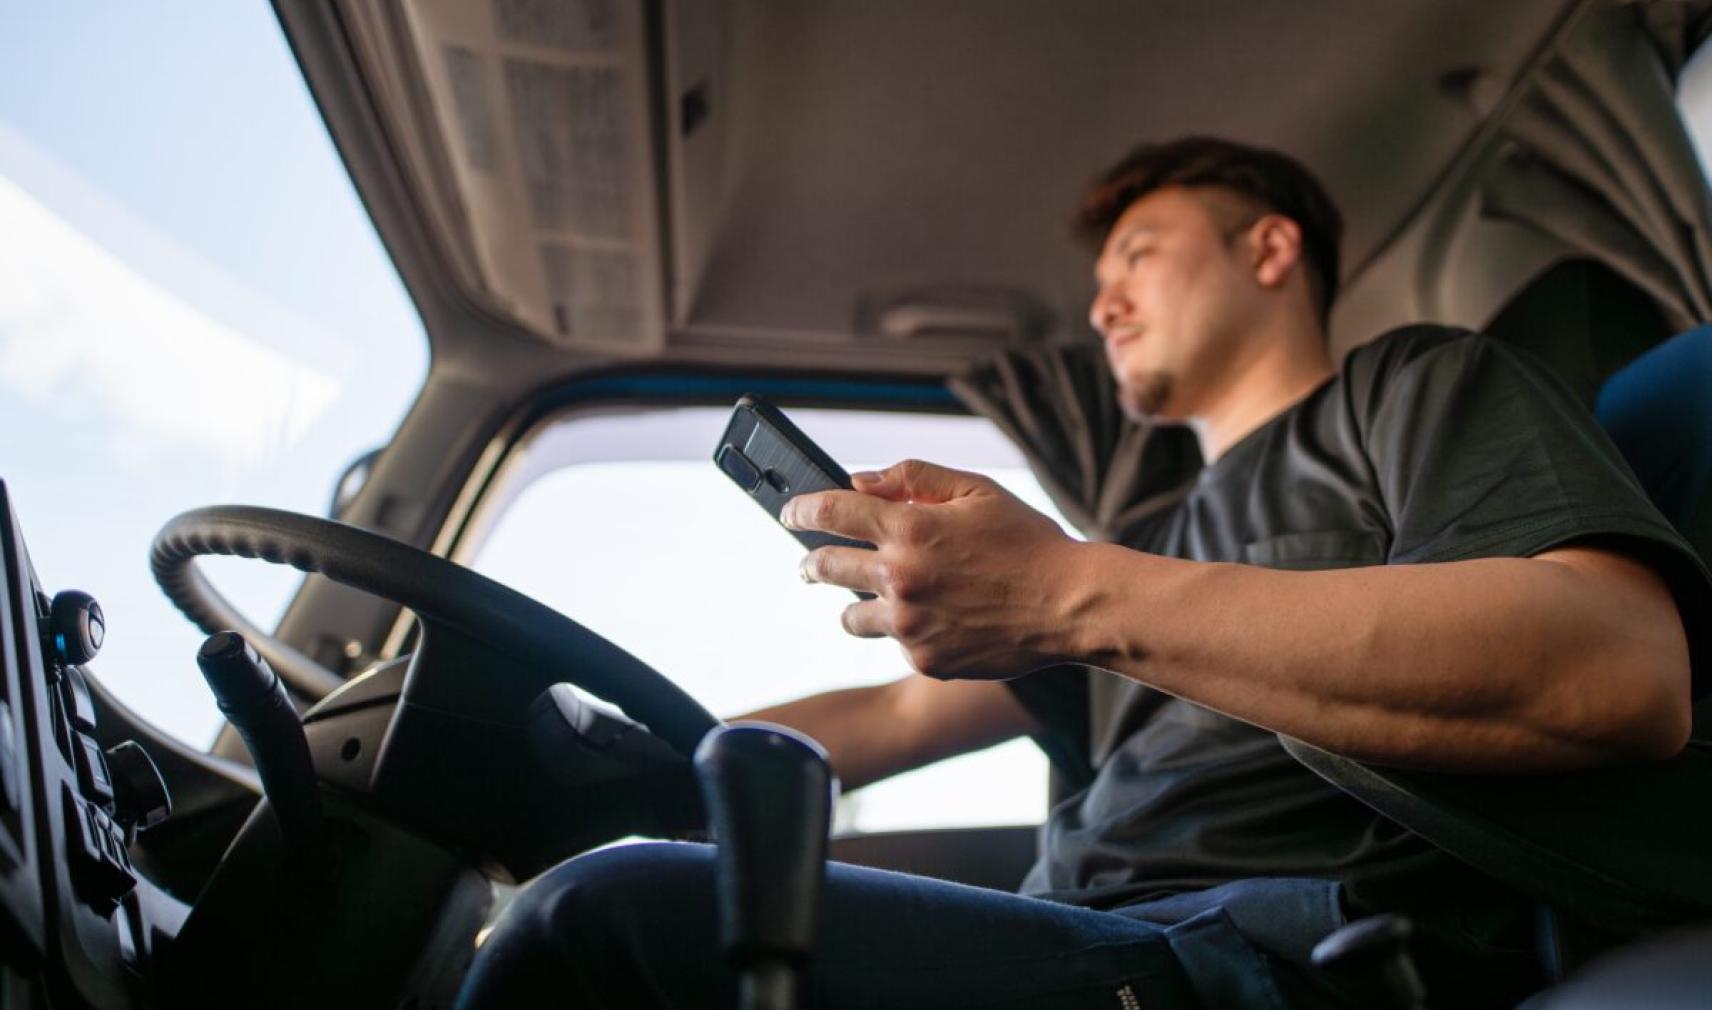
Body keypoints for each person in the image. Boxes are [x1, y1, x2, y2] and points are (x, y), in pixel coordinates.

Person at [456, 137, 1709, 1010]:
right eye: (1099, 278)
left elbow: (1618, 667)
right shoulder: (1143, 523)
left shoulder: (1409, 390)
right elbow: (895, 712)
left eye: (1139, 256)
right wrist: (615, 756)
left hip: (1280, 963)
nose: (1101, 303)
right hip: (1081, 933)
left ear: (1268, 248)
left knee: (600, 928)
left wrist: (1064, 589)